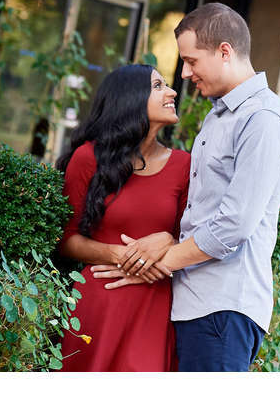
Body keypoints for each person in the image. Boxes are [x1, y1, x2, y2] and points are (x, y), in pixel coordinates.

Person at [92, 2, 280, 372]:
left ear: (224, 52)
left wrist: (152, 264)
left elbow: (233, 225)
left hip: (223, 308)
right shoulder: (221, 116)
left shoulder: (262, 119)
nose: (185, 73)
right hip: (197, 304)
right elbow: (201, 215)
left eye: (192, 61)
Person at [56, 64, 190, 371]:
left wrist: (166, 239)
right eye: (158, 86)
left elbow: (194, 238)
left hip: (154, 307)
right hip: (98, 302)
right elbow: (67, 239)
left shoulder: (185, 165)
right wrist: (122, 255)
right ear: (129, 98)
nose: (171, 92)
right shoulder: (88, 157)